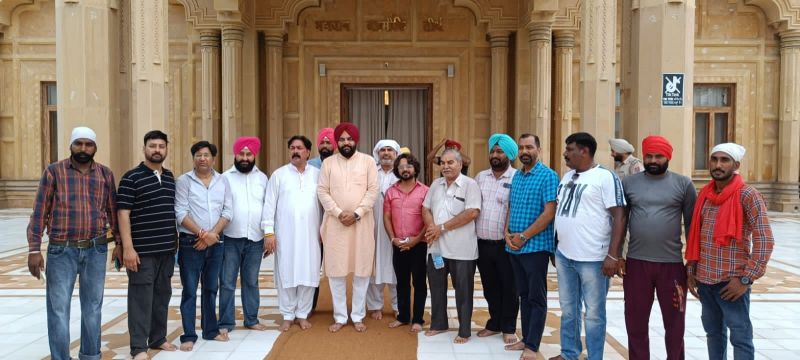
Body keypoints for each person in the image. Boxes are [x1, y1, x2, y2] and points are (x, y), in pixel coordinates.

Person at [27, 126, 119, 360]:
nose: (83, 148)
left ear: (95, 147)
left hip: (95, 249)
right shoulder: (54, 172)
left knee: (93, 308)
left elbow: (112, 211)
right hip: (61, 250)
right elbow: (40, 212)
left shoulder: (105, 174)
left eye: (88, 144)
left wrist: (119, 243)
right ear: (71, 145)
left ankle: (90, 356)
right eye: (79, 143)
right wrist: (34, 248)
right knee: (58, 310)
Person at [686, 143, 774, 360]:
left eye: (724, 160)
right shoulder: (705, 194)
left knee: (740, 337)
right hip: (705, 280)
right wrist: (691, 269)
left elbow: (765, 239)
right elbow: (698, 235)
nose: (718, 165)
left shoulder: (748, 195)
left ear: (736, 164)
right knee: (713, 334)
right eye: (714, 159)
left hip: (732, 282)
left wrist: (745, 280)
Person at [551, 132, 626, 360]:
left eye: (569, 149)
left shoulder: (605, 177)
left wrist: (613, 255)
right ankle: (569, 353)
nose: (565, 153)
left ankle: (595, 356)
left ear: (584, 151)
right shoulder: (567, 177)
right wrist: (557, 246)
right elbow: (560, 212)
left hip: (593, 258)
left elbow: (620, 215)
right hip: (565, 256)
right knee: (568, 309)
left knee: (593, 313)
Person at [622, 135, 696, 360]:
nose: (653, 160)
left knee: (675, 323)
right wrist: (617, 256)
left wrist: (692, 263)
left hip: (672, 266)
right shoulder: (628, 183)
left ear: (668, 157)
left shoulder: (683, 184)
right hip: (636, 264)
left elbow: (693, 225)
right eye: (649, 156)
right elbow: (620, 223)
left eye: (659, 156)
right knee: (635, 322)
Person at [117, 130, 178, 360]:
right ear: (144, 148)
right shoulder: (131, 178)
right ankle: (138, 347)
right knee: (141, 298)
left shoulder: (170, 177)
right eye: (152, 146)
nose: (157, 150)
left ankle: (158, 338)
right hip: (142, 252)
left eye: (161, 146)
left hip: (167, 250)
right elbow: (123, 213)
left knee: (162, 295)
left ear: (167, 149)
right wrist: (128, 248)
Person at [317, 123, 379, 333]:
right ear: (337, 142)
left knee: (361, 272)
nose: (345, 143)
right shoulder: (328, 164)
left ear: (356, 140)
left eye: (349, 139)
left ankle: (358, 316)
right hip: (336, 225)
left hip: (361, 224)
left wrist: (357, 213)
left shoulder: (368, 161)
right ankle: (341, 317)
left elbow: (373, 191)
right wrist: (337, 212)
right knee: (336, 272)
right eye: (341, 139)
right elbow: (322, 191)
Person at [504, 134, 560, 359]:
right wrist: (507, 233)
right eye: (521, 148)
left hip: (535, 247)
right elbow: (511, 206)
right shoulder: (518, 175)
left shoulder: (548, 176)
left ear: (539, 149)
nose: (524, 151)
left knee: (536, 297)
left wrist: (524, 236)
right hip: (514, 247)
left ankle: (532, 346)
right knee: (523, 295)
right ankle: (526, 338)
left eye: (529, 147)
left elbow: (549, 213)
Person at [175, 141, 232, 351]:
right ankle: (188, 335)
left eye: (207, 155)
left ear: (213, 158)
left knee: (211, 288)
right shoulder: (184, 181)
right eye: (198, 155)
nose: (202, 159)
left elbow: (227, 211)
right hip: (191, 243)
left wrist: (212, 235)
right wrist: (202, 234)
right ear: (193, 158)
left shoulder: (223, 181)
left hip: (216, 242)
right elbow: (180, 212)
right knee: (190, 290)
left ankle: (210, 330)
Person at [263, 135, 322, 332]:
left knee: (309, 273)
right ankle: (287, 315)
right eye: (292, 148)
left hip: (311, 235)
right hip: (285, 234)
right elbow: (269, 205)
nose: (295, 151)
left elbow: (325, 205)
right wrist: (269, 232)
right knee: (286, 274)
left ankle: (302, 314)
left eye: (299, 148)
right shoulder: (279, 175)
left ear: (308, 152)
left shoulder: (317, 175)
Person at [422, 149, 481, 344]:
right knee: (437, 286)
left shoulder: (470, 185)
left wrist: (442, 227)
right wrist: (431, 226)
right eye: (443, 163)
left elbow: (472, 212)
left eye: (450, 163)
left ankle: (464, 330)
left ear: (460, 164)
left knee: (463, 290)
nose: (445, 166)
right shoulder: (436, 184)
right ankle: (439, 323)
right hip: (437, 249)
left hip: (462, 250)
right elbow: (425, 207)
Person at [219, 137, 269, 333]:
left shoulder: (262, 178)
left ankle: (251, 319)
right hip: (230, 238)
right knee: (227, 281)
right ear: (235, 155)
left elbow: (268, 207)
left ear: (254, 155)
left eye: (249, 154)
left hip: (255, 239)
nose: (245, 158)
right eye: (242, 154)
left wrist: (268, 234)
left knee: (251, 281)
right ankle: (226, 323)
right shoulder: (224, 178)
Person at [474, 133, 519, 345]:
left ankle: (508, 327)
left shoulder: (517, 177)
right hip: (482, 243)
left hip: (506, 245)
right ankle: (494, 323)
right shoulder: (481, 177)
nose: (495, 155)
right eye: (493, 151)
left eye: (500, 151)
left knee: (509, 287)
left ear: (509, 154)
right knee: (489, 286)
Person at [383, 153, 429, 332]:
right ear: (397, 170)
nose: (405, 169)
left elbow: (428, 219)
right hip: (399, 245)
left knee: (419, 282)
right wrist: (393, 238)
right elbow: (386, 217)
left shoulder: (425, 191)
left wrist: (416, 240)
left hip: (419, 245)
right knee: (401, 282)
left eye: (409, 166)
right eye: (401, 167)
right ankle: (403, 316)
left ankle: (417, 319)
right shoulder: (391, 191)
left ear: (415, 169)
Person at [366, 139, 400, 320]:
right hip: (371, 227)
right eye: (383, 150)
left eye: (390, 150)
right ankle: (375, 306)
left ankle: (397, 306)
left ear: (396, 154)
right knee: (373, 267)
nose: (386, 153)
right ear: (377, 154)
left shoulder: (402, 174)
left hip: (395, 228)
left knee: (396, 268)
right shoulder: (370, 173)